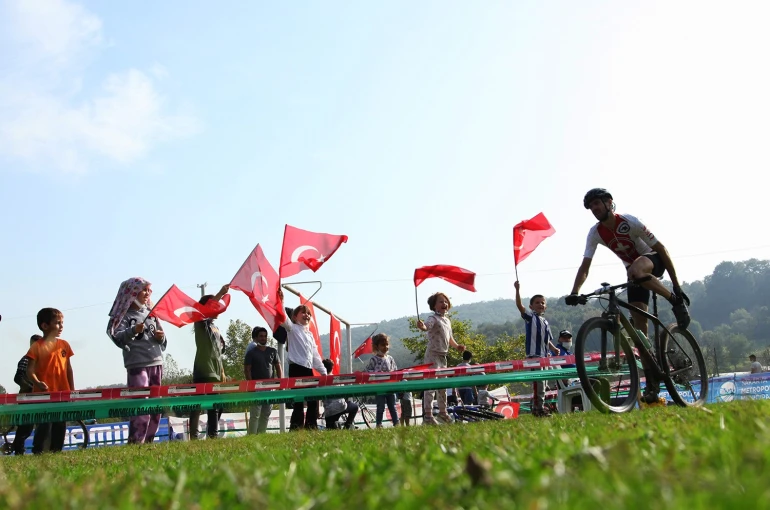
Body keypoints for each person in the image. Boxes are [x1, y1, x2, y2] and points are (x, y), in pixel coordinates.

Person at [566, 188, 691, 404]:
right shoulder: (595, 233)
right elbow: (585, 265)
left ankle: (673, 300)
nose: (594, 208)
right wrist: (575, 292)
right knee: (639, 334)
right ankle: (652, 383)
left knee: (636, 269)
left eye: (597, 203)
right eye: (591, 206)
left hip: (652, 259)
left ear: (609, 203)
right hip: (634, 274)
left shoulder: (630, 221)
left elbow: (662, 249)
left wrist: (677, 288)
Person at [107, 277, 167, 444]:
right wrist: (133, 330)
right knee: (141, 403)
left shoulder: (151, 313)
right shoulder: (124, 316)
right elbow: (117, 337)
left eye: (148, 290)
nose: (147, 294)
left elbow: (162, 336)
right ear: (132, 293)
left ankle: (149, 440)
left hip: (156, 361)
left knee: (155, 404)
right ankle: (136, 441)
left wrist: (160, 337)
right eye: (143, 290)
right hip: (137, 364)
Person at [26, 308, 75, 454]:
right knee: (44, 425)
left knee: (60, 424)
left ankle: (56, 451)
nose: (61, 326)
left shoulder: (64, 344)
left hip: (62, 393)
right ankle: (38, 451)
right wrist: (37, 383)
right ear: (45, 326)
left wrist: (72, 390)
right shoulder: (37, 346)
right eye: (57, 323)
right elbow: (30, 370)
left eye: (62, 323)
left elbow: (68, 369)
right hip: (43, 395)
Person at [416, 292, 466, 425]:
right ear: (434, 306)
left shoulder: (447, 321)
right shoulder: (433, 318)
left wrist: (457, 346)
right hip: (432, 355)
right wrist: (422, 326)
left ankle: (443, 413)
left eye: (445, 301)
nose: (444, 303)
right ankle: (428, 415)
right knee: (431, 385)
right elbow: (427, 326)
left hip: (443, 356)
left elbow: (449, 338)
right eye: (440, 301)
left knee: (443, 386)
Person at [188, 285, 229, 440]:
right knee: (198, 404)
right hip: (203, 369)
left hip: (217, 371)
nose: (218, 308)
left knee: (218, 404)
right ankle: (194, 436)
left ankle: (212, 435)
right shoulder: (200, 321)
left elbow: (218, 352)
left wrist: (222, 371)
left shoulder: (214, 326)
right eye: (214, 305)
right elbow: (203, 312)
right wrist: (220, 293)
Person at [279, 304, 327, 430]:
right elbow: (283, 318)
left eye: (309, 314)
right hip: (296, 369)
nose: (307, 315)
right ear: (295, 317)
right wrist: (281, 301)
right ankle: (296, 427)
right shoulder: (292, 328)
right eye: (303, 313)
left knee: (313, 400)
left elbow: (315, 355)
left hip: (308, 369)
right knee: (298, 401)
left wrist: (323, 372)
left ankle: (311, 426)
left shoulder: (310, 335)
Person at [515, 280, 557, 418]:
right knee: (538, 383)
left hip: (545, 356)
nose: (540, 305)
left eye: (542, 303)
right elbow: (519, 306)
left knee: (544, 383)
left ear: (546, 307)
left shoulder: (545, 322)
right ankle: (538, 408)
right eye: (537, 302)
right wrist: (517, 290)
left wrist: (553, 349)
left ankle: (541, 406)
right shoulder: (530, 317)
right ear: (531, 306)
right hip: (535, 356)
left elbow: (547, 340)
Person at [244, 326, 282, 434]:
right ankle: (251, 436)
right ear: (256, 337)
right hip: (256, 388)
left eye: (265, 336)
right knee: (255, 415)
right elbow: (247, 370)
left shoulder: (272, 351)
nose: (263, 338)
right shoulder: (251, 352)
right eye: (261, 336)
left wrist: (281, 383)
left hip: (270, 387)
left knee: (266, 414)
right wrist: (251, 386)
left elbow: (278, 368)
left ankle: (261, 435)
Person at [10, 334, 42, 455]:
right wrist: (31, 387)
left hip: (35, 397)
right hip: (27, 398)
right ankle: (18, 450)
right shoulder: (26, 359)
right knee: (25, 427)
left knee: (28, 427)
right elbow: (18, 377)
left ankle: (19, 448)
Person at [365, 333, 400, 427]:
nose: (386, 347)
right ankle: (379, 424)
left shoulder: (390, 358)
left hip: (390, 387)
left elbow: (395, 370)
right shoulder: (374, 359)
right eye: (383, 345)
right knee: (380, 406)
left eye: (387, 344)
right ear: (377, 346)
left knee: (392, 406)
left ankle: (396, 422)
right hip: (379, 387)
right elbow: (368, 371)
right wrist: (376, 373)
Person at [321, 359, 359, 429]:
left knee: (330, 430)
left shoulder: (320, 382)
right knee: (355, 407)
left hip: (329, 411)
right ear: (332, 368)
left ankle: (335, 425)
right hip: (341, 406)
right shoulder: (336, 379)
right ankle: (347, 426)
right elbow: (343, 392)